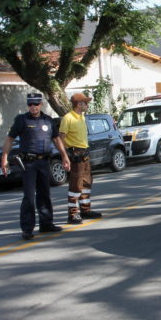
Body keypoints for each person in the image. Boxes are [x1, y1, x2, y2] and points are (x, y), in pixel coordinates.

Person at [1, 93, 71, 240]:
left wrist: (64, 156)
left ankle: (46, 223)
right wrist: (4, 159)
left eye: (35, 104)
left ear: (41, 104)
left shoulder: (48, 120)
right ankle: (27, 229)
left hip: (44, 162)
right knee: (29, 197)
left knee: (44, 194)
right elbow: (9, 139)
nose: (33, 107)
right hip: (29, 164)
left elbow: (57, 139)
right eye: (30, 104)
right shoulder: (22, 120)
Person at [59, 92, 102, 224]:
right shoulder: (68, 118)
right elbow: (61, 138)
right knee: (76, 185)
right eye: (85, 103)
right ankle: (72, 214)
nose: (87, 105)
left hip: (84, 154)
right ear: (78, 104)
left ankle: (85, 210)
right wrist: (66, 155)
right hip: (76, 154)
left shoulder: (81, 117)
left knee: (86, 183)